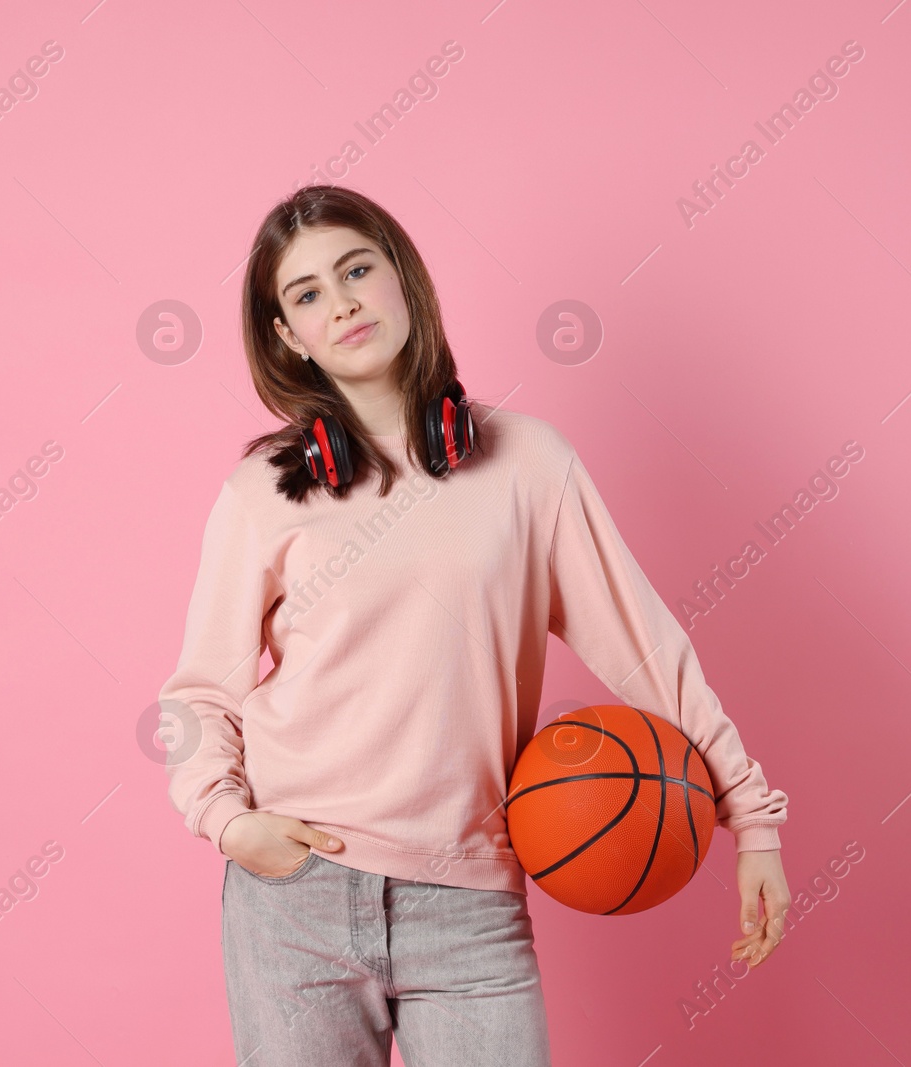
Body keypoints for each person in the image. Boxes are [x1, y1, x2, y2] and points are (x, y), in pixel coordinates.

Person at [157, 184, 791, 1067]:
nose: (339, 301)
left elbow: (650, 653)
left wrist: (750, 821)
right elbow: (197, 694)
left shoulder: (529, 465)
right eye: (306, 294)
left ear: (401, 279)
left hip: (467, 902)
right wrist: (230, 824)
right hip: (292, 895)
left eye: (356, 269)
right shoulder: (263, 492)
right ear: (285, 335)